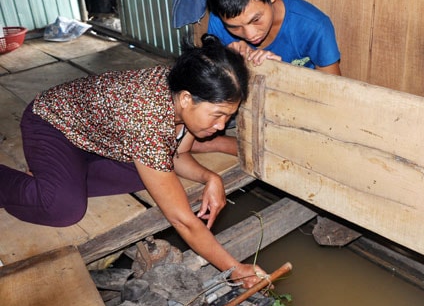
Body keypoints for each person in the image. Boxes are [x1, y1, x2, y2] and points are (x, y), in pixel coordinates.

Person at [0, 34, 266, 289]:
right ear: (186, 99)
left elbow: (177, 155)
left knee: (154, 173)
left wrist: (211, 177)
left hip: (96, 138)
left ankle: (56, 176)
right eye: (217, 115)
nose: (221, 126)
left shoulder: (182, 88)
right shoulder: (148, 121)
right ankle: (44, 181)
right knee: (63, 207)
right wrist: (234, 268)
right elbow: (182, 220)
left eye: (228, 117)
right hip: (52, 123)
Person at [206, 0, 341, 75]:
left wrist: (278, 72)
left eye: (256, 19)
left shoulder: (314, 27)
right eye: (234, 27)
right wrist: (231, 61)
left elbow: (332, 93)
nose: (250, 35)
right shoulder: (219, 21)